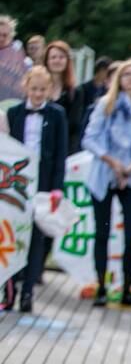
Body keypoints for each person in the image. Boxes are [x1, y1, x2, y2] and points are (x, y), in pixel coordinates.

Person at [82, 58, 131, 307]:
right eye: (127, 74)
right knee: (102, 232)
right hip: (106, 172)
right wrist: (112, 161)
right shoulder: (107, 104)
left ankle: (127, 287)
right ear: (120, 78)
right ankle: (102, 287)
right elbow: (90, 139)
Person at [8, 67, 67, 313]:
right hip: (16, 182)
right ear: (26, 87)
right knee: (12, 234)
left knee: (36, 238)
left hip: (43, 181)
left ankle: (28, 291)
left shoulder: (56, 114)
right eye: (34, 89)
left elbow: (61, 152)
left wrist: (57, 188)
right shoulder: (14, 113)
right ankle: (9, 289)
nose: (38, 94)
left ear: (49, 90)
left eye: (43, 90)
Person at [43, 40, 84, 155]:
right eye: (53, 57)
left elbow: (74, 126)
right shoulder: (38, 89)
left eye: (61, 57)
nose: (57, 60)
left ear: (67, 61)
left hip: (63, 149)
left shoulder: (75, 92)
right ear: (47, 61)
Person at [0, 15, 29, 101]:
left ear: (11, 35)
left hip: (14, 103)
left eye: (5, 35)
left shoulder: (18, 53)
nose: (1, 38)